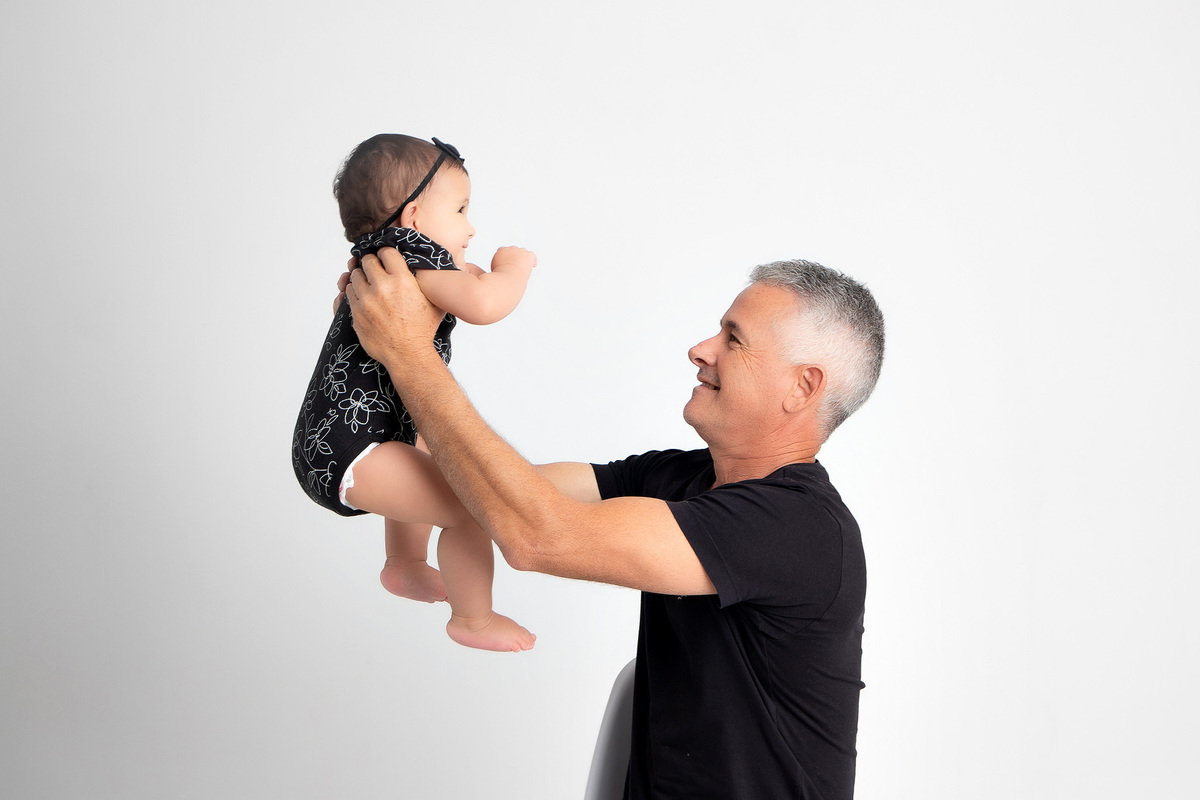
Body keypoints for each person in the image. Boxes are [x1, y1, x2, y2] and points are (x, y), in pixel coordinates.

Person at [344, 251, 884, 799]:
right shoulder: (679, 478)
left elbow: (536, 534)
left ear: (802, 387)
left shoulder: (798, 527)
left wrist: (411, 356)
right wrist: (367, 365)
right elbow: (484, 492)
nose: (700, 350)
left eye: (733, 339)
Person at [292, 134, 537, 652]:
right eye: (462, 209)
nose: (471, 228)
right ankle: (472, 618)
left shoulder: (375, 261)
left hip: (333, 439)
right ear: (414, 217)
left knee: (430, 452)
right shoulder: (415, 256)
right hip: (353, 448)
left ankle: (405, 565)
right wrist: (513, 268)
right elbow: (484, 302)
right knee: (470, 503)